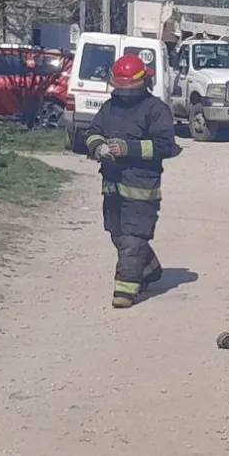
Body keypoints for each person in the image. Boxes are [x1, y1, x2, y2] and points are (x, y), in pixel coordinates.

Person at [85, 55, 182, 308]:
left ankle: (126, 290)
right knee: (118, 235)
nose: (124, 94)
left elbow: (166, 146)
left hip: (142, 187)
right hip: (112, 185)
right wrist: (97, 147)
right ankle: (150, 268)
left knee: (132, 239)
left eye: (129, 88)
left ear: (143, 82)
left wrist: (128, 148)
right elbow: (92, 132)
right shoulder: (109, 107)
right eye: (120, 88)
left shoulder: (156, 109)